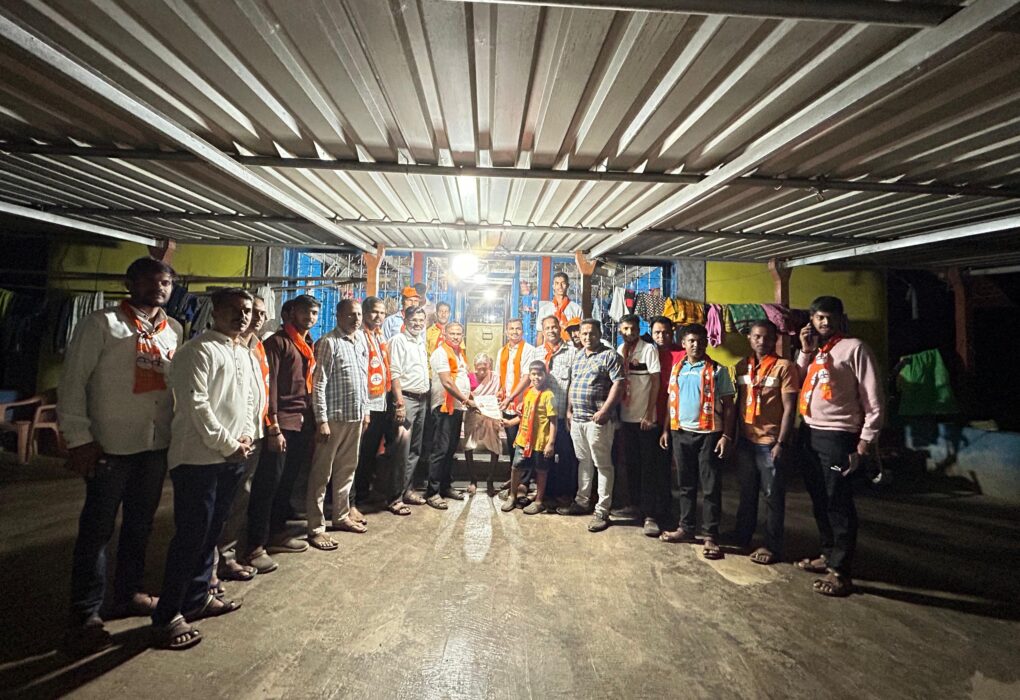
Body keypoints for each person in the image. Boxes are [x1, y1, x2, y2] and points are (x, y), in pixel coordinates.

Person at [58, 257, 182, 653]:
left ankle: (128, 593)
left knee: (140, 526)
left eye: (165, 283)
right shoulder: (101, 324)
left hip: (154, 445)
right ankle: (85, 614)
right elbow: (72, 383)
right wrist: (79, 439)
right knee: (97, 529)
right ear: (129, 283)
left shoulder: (173, 330)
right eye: (149, 280)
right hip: (109, 445)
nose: (158, 287)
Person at [151, 288, 261, 650]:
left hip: (231, 458)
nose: (242, 316)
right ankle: (167, 615)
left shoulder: (242, 352)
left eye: (247, 311)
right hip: (198, 460)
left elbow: (248, 400)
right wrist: (229, 444)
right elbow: (196, 406)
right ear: (215, 311)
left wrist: (245, 436)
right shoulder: (197, 351)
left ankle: (197, 598)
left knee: (211, 534)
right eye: (234, 309)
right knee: (191, 537)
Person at [795, 296, 883, 597]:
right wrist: (805, 352)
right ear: (811, 320)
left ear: (840, 319)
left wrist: (865, 442)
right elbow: (798, 382)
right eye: (819, 317)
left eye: (830, 317)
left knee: (838, 499)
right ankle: (828, 553)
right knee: (819, 497)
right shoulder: (816, 351)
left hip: (839, 438)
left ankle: (841, 572)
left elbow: (873, 399)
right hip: (810, 434)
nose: (825, 322)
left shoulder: (855, 348)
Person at [243, 295, 319, 574]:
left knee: (286, 482)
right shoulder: (277, 343)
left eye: (314, 313)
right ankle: (255, 545)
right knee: (268, 485)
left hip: (301, 422)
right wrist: (273, 425)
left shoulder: (308, 344)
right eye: (305, 312)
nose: (310, 317)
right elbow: (270, 386)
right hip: (282, 423)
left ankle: (277, 533)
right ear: (291, 312)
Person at [659, 323, 736, 560]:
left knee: (710, 486)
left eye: (701, 341)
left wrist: (726, 436)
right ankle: (686, 528)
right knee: (685, 484)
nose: (696, 345)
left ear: (707, 343)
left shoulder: (718, 370)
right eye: (691, 341)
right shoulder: (678, 368)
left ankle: (710, 535)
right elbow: (670, 400)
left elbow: (729, 405)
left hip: (709, 434)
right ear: (683, 344)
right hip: (680, 433)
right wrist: (666, 430)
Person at [213, 295, 269, 587]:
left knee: (239, 499)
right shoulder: (209, 348)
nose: (253, 318)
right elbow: (198, 403)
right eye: (249, 312)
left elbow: (255, 394)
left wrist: (255, 429)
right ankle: (209, 570)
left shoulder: (254, 347)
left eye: (257, 313)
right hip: (222, 439)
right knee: (217, 504)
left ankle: (227, 555)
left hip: (252, 434)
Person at [306, 299, 369, 550]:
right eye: (351, 314)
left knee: (347, 471)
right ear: (338, 316)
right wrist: (321, 420)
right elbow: (319, 383)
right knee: (321, 475)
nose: (356, 319)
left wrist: (365, 411)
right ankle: (316, 527)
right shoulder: (328, 342)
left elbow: (363, 379)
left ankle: (341, 516)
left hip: (355, 417)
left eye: (359, 314)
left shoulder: (360, 340)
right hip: (333, 419)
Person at [733, 321, 799, 566]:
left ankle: (772, 545)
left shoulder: (785, 367)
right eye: (757, 337)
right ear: (749, 338)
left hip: (770, 442)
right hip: (746, 440)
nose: (762, 341)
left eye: (768, 337)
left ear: (775, 340)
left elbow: (790, 408)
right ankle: (742, 536)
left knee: (772, 495)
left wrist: (782, 442)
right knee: (747, 492)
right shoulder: (741, 366)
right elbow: (738, 403)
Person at [557, 320, 625, 533]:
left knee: (602, 464)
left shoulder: (610, 356)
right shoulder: (578, 356)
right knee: (583, 461)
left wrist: (605, 410)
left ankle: (602, 511)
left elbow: (619, 384)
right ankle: (582, 501)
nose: (587, 337)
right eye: (584, 333)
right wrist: (569, 410)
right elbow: (573, 384)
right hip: (577, 420)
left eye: (592, 333)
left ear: (600, 334)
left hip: (598, 421)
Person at [616, 314, 665, 536]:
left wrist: (649, 413)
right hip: (626, 417)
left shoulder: (648, 350)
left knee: (648, 468)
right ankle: (634, 506)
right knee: (632, 465)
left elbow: (655, 382)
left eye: (633, 329)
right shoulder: (621, 350)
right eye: (625, 329)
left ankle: (650, 515)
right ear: (620, 330)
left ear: (639, 329)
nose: (629, 332)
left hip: (645, 419)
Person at [352, 296, 395, 519]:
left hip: (380, 402)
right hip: (366, 404)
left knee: (369, 452)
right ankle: (353, 498)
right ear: (365, 313)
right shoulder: (360, 336)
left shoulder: (379, 336)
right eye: (374, 312)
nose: (378, 316)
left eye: (382, 313)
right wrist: (365, 408)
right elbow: (360, 373)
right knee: (358, 453)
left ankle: (363, 492)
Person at [426, 322, 477, 509]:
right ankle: (433, 492)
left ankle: (446, 486)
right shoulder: (441, 353)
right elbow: (447, 382)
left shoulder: (459, 354)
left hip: (456, 408)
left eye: (458, 333)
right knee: (440, 450)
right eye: (452, 333)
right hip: (443, 408)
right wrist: (466, 400)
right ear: (445, 335)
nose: (456, 336)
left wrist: (469, 398)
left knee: (450, 450)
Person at [388, 305, 430, 511]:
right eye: (414, 320)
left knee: (415, 449)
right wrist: (400, 404)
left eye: (421, 320)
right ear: (405, 320)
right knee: (401, 451)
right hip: (406, 400)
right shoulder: (398, 341)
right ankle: (394, 498)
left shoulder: (420, 341)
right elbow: (394, 373)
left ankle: (407, 490)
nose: (418, 324)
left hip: (422, 400)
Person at [502, 361, 557, 514]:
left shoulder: (549, 396)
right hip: (524, 440)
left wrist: (551, 443)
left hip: (540, 441)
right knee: (516, 467)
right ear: (529, 376)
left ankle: (539, 501)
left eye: (540, 374)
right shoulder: (528, 392)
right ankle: (512, 496)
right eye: (533, 374)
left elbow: (553, 421)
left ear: (545, 375)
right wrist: (509, 423)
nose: (536, 377)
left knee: (541, 470)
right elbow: (524, 416)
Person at [496, 318, 538, 455]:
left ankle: (523, 469)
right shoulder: (502, 351)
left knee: (524, 441)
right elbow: (498, 376)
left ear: (523, 331)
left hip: (522, 402)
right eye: (511, 329)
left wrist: (510, 398)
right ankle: (512, 468)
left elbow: (526, 377)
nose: (515, 331)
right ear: (506, 332)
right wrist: (499, 394)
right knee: (511, 441)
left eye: (518, 328)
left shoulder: (529, 350)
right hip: (506, 404)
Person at [463, 353, 502, 495]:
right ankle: (473, 479)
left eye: (484, 369)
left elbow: (500, 392)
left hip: (491, 414)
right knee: (468, 445)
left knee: (495, 446)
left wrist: (497, 398)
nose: (481, 372)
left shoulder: (495, 377)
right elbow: (465, 396)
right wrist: (473, 402)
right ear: (474, 367)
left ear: (489, 366)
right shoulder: (469, 377)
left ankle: (490, 480)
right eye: (478, 369)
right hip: (474, 413)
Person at [537, 271, 582, 342]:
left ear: (567, 285)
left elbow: (581, 332)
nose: (560, 286)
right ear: (553, 286)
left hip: (570, 346)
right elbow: (540, 335)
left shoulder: (576, 308)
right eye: (557, 283)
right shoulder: (545, 309)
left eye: (563, 283)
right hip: (549, 346)